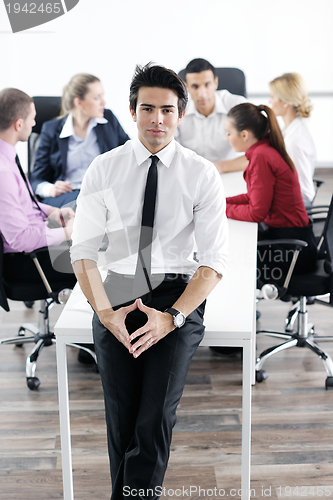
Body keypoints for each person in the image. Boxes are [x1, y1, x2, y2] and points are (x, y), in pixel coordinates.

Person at [70, 63, 228, 499]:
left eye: (166, 110)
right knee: (122, 414)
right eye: (147, 109)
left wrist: (172, 318)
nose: (157, 119)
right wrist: (105, 313)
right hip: (119, 287)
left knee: (155, 415)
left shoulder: (201, 174)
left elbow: (213, 263)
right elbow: (82, 253)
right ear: (132, 111)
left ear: (181, 115)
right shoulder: (104, 169)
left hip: (177, 293)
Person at [225, 102, 317, 286]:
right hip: (295, 241)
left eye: (228, 133)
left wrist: (222, 208)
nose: (226, 138)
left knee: (230, 260)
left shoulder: (261, 157)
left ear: (244, 135)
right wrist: (221, 201)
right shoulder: (265, 149)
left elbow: (255, 213)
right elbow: (254, 198)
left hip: (292, 252)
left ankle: (245, 314)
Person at [0, 88, 76, 289]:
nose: (35, 124)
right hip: (26, 259)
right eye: (32, 119)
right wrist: (68, 233)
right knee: (101, 260)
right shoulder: (2, 171)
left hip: (36, 244)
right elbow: (20, 239)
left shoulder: (8, 158)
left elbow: (23, 203)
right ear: (18, 124)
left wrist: (52, 211)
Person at [30, 73, 130, 208]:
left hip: (105, 193)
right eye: (97, 97)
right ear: (79, 102)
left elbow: (130, 155)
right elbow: (36, 179)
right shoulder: (51, 129)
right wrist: (51, 189)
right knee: (88, 205)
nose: (103, 102)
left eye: (102, 96)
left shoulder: (109, 120)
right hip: (69, 196)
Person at [175, 58, 248, 173]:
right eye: (195, 86)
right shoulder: (176, 110)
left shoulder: (237, 105)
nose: (202, 94)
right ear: (186, 87)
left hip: (233, 173)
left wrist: (220, 167)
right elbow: (166, 151)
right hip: (191, 174)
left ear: (216, 83)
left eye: (207, 84)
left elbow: (260, 151)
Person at [269, 72, 316, 205]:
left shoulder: (296, 141)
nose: (269, 101)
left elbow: (306, 194)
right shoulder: (287, 130)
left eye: (272, 97)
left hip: (291, 217)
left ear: (285, 102)